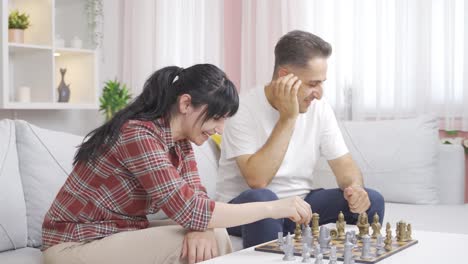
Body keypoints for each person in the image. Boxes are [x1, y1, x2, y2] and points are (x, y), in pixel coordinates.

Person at [42, 64, 313, 264]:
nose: (219, 129)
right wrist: (274, 208)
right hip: (74, 244)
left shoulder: (180, 142)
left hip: (116, 232)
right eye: (216, 117)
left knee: (215, 234)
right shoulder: (137, 134)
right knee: (205, 234)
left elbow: (196, 199)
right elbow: (190, 209)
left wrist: (201, 227)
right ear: (186, 104)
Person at [216, 30, 385, 248]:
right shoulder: (242, 110)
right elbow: (257, 180)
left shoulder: (320, 109)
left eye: (322, 83)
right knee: (263, 198)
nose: (320, 93)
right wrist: (288, 118)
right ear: (285, 77)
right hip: (246, 209)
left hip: (300, 206)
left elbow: (345, 167)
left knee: (373, 200)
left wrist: (356, 189)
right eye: (313, 84)